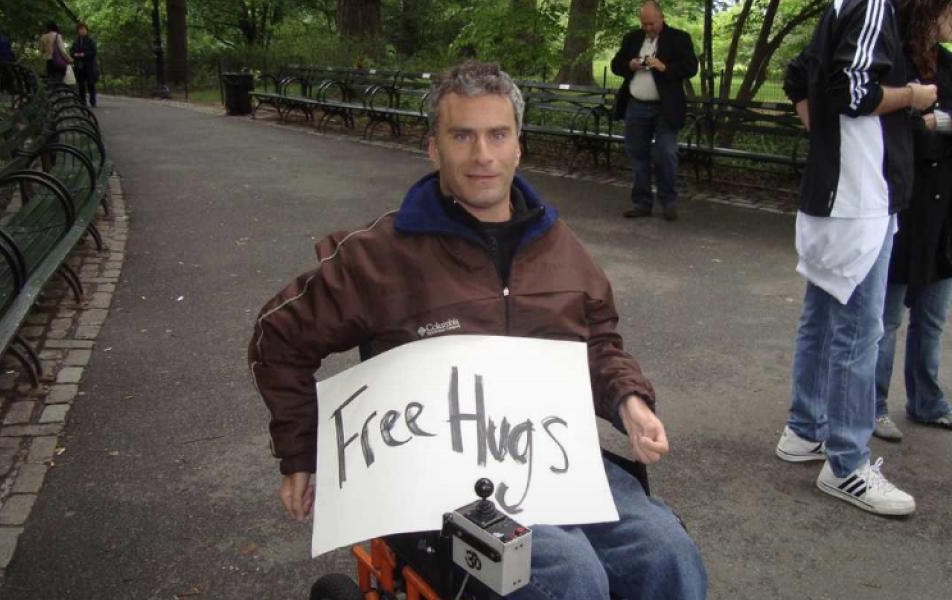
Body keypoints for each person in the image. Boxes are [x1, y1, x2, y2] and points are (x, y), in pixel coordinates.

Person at [249, 61, 707, 599]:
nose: (483, 155)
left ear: (519, 145)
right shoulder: (380, 255)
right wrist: (301, 452)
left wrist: (629, 400)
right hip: (440, 481)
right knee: (569, 577)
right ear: (434, 148)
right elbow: (277, 339)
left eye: (497, 134)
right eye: (462, 135)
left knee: (666, 552)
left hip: (555, 459)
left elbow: (600, 342)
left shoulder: (561, 248)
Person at [776, 0, 937, 516]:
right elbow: (853, 92)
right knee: (858, 330)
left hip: (838, 196)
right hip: (859, 199)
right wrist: (913, 96)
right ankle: (846, 463)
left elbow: (798, 75)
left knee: (823, 317)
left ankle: (805, 430)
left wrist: (822, 136)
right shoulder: (873, 6)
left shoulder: (845, 6)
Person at [874, 0, 952, 441]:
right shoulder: (896, 59)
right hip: (905, 206)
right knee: (885, 319)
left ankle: (927, 400)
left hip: (944, 217)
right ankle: (873, 404)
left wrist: (933, 120)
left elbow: (923, 126)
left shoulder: (948, 65)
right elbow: (900, 128)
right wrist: (930, 126)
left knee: (933, 316)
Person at [610, 0, 697, 222]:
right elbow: (615, 64)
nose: (647, 28)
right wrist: (630, 65)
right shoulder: (632, 38)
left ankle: (668, 200)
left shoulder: (679, 39)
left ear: (661, 18)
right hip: (636, 105)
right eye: (644, 24)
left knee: (665, 153)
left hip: (665, 108)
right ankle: (641, 202)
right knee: (637, 155)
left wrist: (664, 67)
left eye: (651, 24)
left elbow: (690, 67)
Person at [71, 22, 98, 107]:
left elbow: (94, 52)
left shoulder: (90, 40)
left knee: (91, 83)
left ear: (86, 30)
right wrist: (75, 54)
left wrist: (84, 54)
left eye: (83, 29)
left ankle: (92, 100)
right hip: (79, 64)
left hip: (89, 64)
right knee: (81, 84)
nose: (82, 31)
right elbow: (72, 51)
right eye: (80, 29)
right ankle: (82, 101)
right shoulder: (76, 41)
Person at [0, 27, 15, 93]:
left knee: (2, 73)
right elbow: (9, 49)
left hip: (1, 59)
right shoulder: (6, 39)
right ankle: (10, 88)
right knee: (8, 73)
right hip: (9, 58)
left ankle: (4, 88)